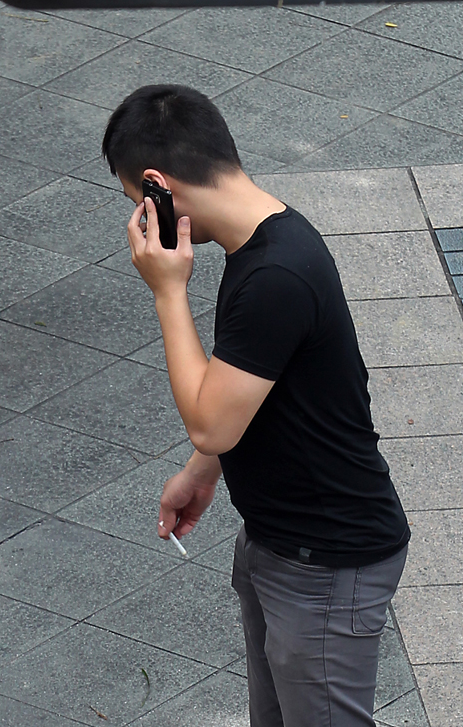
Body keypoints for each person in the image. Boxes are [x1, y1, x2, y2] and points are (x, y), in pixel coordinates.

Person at [102, 84, 409, 727]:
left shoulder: (275, 276)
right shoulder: (267, 244)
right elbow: (250, 396)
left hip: (326, 562)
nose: (140, 218)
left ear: (158, 185)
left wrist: (167, 290)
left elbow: (210, 420)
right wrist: (201, 470)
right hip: (282, 543)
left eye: (138, 203)